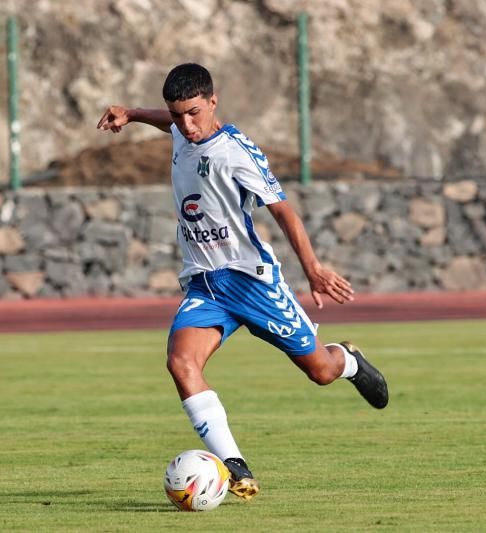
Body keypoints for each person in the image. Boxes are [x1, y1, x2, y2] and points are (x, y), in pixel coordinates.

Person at [97, 63, 388, 501]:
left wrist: (312, 268)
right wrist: (135, 114)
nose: (186, 124)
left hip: (252, 282)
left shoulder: (236, 150)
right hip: (205, 284)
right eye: (177, 116)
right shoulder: (180, 130)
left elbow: (283, 210)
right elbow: (170, 122)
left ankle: (347, 359)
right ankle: (234, 466)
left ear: (214, 102)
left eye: (195, 113)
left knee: (320, 372)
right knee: (181, 363)